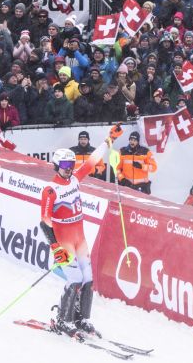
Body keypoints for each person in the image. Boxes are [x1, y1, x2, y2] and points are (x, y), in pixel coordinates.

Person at [41, 124, 122, 339]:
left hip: (80, 239)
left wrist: (108, 140)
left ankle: (82, 318)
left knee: (88, 279)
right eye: (66, 164)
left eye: (71, 164)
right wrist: (55, 247)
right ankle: (63, 320)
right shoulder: (51, 189)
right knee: (75, 278)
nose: (69, 168)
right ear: (57, 165)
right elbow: (44, 222)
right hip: (64, 241)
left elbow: (92, 161)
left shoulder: (75, 179)